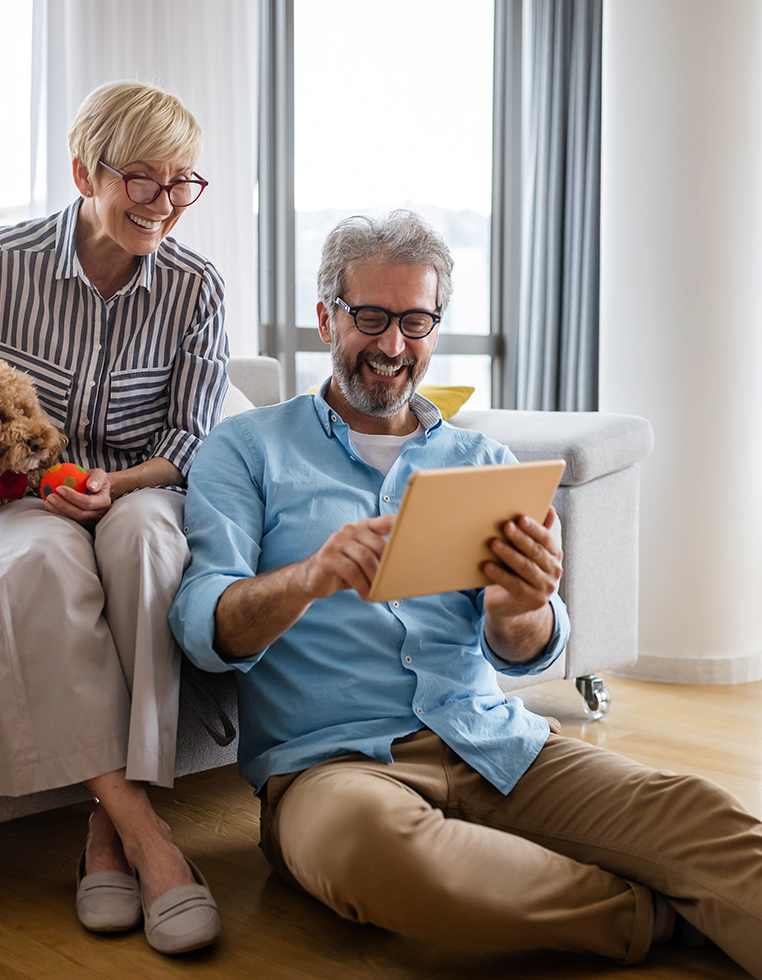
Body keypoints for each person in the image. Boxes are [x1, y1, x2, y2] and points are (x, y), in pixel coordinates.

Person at [169, 210, 762, 975]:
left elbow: (523, 650)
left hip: (495, 744)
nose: (391, 346)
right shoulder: (246, 449)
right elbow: (202, 629)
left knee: (706, 821)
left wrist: (522, 607)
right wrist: (310, 577)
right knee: (377, 855)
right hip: (332, 769)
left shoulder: (481, 459)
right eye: (371, 318)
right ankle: (653, 914)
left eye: (414, 321)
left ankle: (666, 887)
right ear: (325, 319)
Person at [0, 80, 225, 955]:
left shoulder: (197, 287)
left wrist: (118, 483)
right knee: (38, 564)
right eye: (144, 180)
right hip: (15, 501)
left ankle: (102, 831)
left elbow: (193, 440)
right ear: (84, 173)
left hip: (132, 490)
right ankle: (147, 834)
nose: (167, 204)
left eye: (184, 182)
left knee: (149, 546)